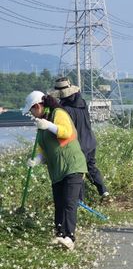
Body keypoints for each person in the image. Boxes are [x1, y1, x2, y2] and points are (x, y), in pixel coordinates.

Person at [23, 91, 88, 250]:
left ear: (37, 106)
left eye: (31, 110)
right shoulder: (41, 124)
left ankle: (69, 237)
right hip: (57, 170)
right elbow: (43, 149)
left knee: (68, 202)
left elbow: (67, 132)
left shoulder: (58, 113)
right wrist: (37, 160)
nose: (31, 114)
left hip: (72, 165)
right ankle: (59, 235)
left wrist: (49, 126)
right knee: (59, 203)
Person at [51, 77, 109, 198]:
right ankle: (103, 190)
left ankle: (80, 201)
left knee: (78, 173)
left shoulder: (64, 110)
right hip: (90, 141)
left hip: (79, 144)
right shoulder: (82, 103)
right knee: (91, 167)